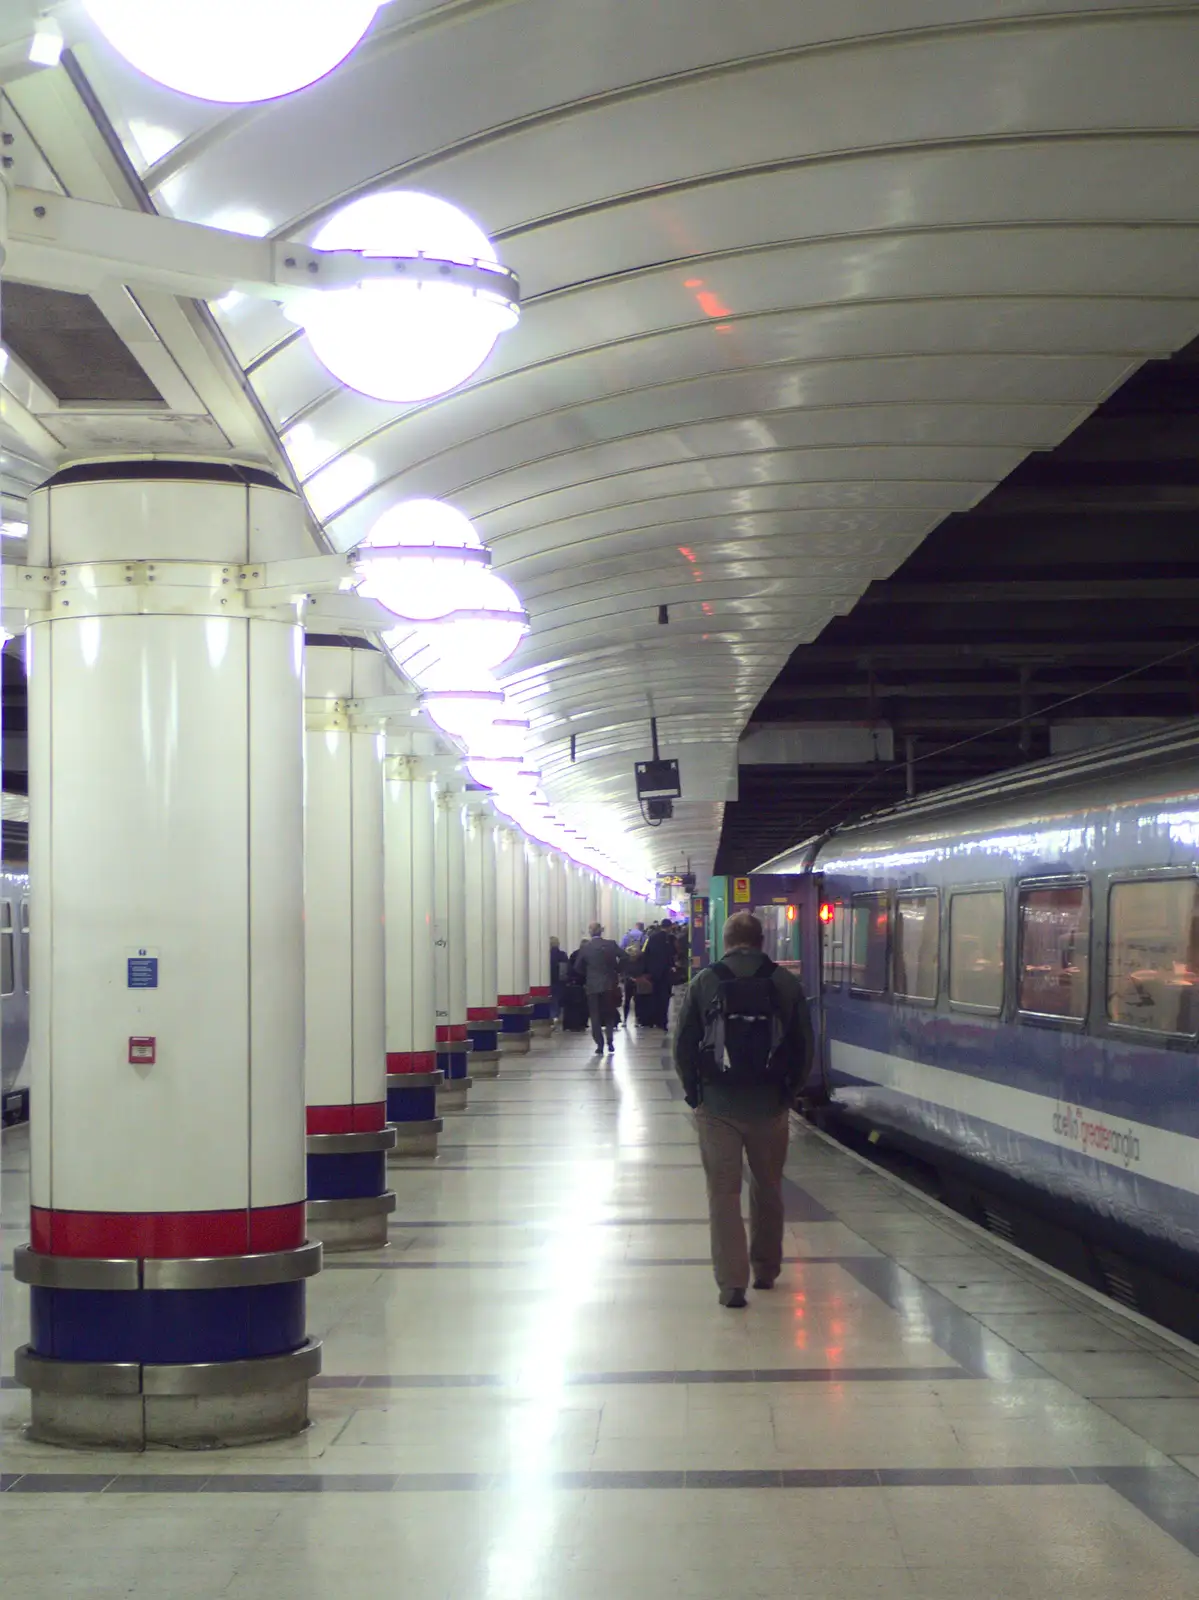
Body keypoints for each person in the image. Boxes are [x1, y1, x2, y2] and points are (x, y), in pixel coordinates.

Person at [674, 911, 814, 1309]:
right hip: (770, 1105)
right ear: (762, 940)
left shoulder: (705, 981)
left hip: (718, 1106)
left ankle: (732, 1284)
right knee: (768, 1187)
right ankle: (766, 1269)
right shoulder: (785, 982)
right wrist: (790, 1093)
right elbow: (804, 1044)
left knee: (723, 1193)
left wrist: (695, 1093)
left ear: (726, 940)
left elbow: (683, 1044)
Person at [573, 921, 626, 1054]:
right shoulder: (611, 944)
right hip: (609, 984)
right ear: (601, 931)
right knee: (608, 1013)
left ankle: (599, 1044)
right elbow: (625, 956)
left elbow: (577, 967)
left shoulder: (586, 947)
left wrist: (588, 975)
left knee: (595, 1015)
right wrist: (616, 970)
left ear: (590, 932)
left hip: (592, 985)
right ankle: (610, 1040)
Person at [642, 921, 677, 1030]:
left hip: (653, 972)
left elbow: (646, 953)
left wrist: (646, 970)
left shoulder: (651, 938)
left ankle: (652, 1020)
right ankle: (662, 1021)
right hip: (665, 972)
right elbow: (672, 953)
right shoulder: (669, 938)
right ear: (670, 927)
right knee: (664, 997)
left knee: (654, 996)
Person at [620, 921, 647, 1024]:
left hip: (628, 971)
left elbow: (621, 948)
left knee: (627, 998)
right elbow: (646, 951)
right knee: (638, 999)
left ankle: (625, 1021)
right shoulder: (644, 937)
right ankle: (637, 1020)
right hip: (639, 971)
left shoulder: (626, 936)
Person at [549, 935, 569, 1023]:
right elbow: (564, 969)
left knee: (552, 999)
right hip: (559, 981)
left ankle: (553, 1016)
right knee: (558, 998)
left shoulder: (546, 955)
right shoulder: (562, 955)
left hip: (549, 980)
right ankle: (557, 1016)